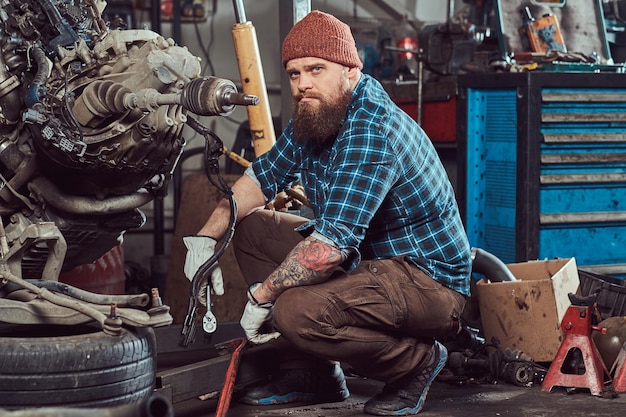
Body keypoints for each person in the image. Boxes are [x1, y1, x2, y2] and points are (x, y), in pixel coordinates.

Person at [183, 10, 471, 416]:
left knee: (295, 310)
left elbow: (332, 246)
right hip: (369, 262)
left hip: (427, 281)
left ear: (351, 71)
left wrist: (262, 296)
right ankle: (311, 373)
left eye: (316, 69)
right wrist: (207, 236)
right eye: (295, 73)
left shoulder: (370, 127)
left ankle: (415, 364)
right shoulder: (317, 113)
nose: (303, 85)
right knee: (250, 228)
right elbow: (262, 178)